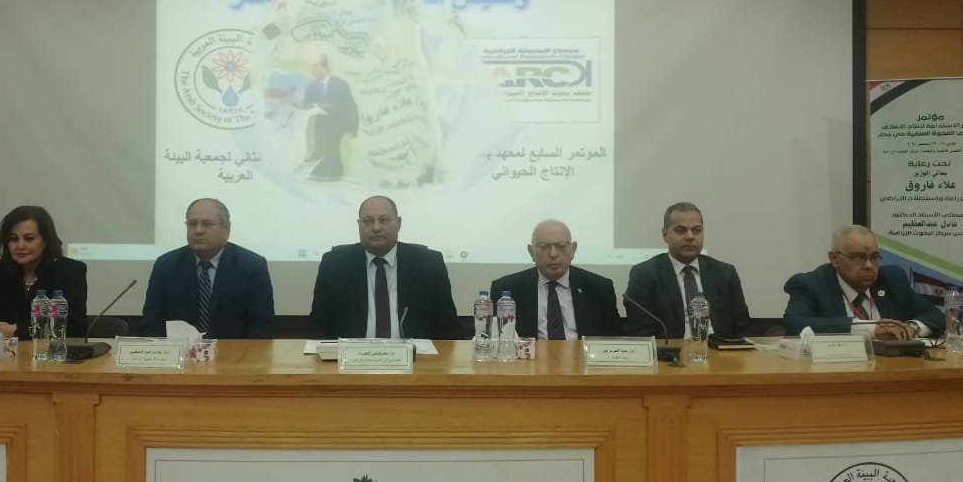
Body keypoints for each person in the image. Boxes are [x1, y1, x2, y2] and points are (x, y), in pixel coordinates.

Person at [310, 195, 461, 340]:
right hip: (351, 356)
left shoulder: (429, 264)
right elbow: (318, 328)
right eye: (368, 221)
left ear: (399, 223)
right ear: (359, 225)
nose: (376, 228)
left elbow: (449, 328)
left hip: (415, 356)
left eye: (384, 220)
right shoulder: (335, 264)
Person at [141, 198, 274, 338]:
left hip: (234, 351)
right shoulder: (166, 265)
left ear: (226, 229)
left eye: (207, 224)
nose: (198, 230)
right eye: (192, 224)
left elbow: (262, 327)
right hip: (180, 350)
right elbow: (152, 323)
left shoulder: (252, 266)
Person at [783, 224, 944, 339]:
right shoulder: (811, 284)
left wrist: (912, 328)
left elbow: (934, 315)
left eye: (874, 257)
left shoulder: (892, 279)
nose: (869, 266)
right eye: (858, 257)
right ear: (834, 259)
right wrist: (872, 329)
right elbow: (796, 324)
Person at [624, 202, 751, 340]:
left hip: (719, 349)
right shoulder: (644, 274)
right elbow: (642, 333)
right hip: (671, 351)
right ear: (665, 234)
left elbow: (743, 327)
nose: (690, 236)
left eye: (696, 230)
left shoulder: (725, 273)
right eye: (681, 230)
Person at [490, 219, 620, 339]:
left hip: (581, 356)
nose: (553, 254)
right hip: (530, 357)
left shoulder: (599, 288)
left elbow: (616, 340)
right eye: (544, 246)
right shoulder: (507, 289)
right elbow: (497, 340)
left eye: (562, 246)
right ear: (531, 251)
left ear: (573, 249)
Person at [0, 206, 87, 340]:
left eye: (29, 238)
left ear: (46, 240)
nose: (20, 246)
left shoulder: (71, 271)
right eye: (13, 239)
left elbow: (74, 327)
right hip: (6, 351)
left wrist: (17, 330)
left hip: (50, 351)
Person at [301, 56, 358, 181]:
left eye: (315, 66)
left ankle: (329, 176)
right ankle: (325, 176)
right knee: (324, 149)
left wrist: (353, 129)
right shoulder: (311, 86)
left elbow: (351, 107)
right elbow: (305, 105)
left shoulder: (340, 84)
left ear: (325, 68)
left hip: (338, 124)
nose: (312, 69)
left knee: (331, 148)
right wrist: (316, 105)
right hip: (318, 125)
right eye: (311, 67)